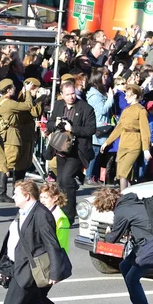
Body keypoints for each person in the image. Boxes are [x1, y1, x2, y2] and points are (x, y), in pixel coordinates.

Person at [93, 188, 153, 304]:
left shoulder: (122, 210)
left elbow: (113, 238)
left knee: (132, 278)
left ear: (109, 205)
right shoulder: (132, 202)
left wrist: (106, 233)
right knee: (124, 266)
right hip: (148, 244)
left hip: (152, 247)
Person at [17, 182, 73, 304]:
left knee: (37, 298)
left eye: (46, 197)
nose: (42, 200)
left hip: (49, 265)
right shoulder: (44, 213)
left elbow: (56, 247)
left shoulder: (59, 219)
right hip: (42, 262)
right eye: (40, 197)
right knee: (38, 297)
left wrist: (53, 269)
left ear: (55, 198)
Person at [47, 82, 96, 225]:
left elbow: (91, 129)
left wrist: (72, 128)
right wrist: (55, 124)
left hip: (77, 151)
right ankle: (61, 210)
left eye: (73, 93)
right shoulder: (58, 105)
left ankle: (69, 215)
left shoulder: (86, 108)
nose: (71, 97)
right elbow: (49, 123)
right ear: (62, 95)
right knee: (60, 181)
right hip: (61, 148)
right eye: (67, 94)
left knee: (67, 178)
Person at [100, 84, 151, 191]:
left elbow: (145, 131)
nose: (125, 97)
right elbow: (119, 128)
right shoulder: (126, 110)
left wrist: (146, 149)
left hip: (134, 143)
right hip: (123, 142)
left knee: (123, 171)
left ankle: (122, 195)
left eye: (128, 95)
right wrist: (107, 142)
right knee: (122, 172)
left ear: (135, 96)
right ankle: (129, 195)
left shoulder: (141, 110)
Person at [0, 78, 34, 203]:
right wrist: (27, 92)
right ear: (8, 90)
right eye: (13, 87)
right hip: (10, 137)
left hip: (3, 136)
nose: (15, 89)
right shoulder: (9, 103)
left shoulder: (0, 101)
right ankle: (1, 193)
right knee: (8, 163)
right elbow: (27, 106)